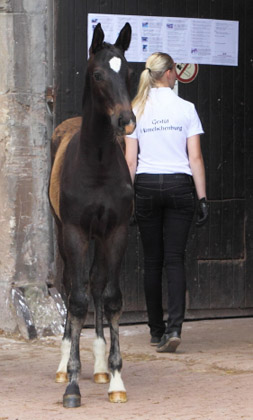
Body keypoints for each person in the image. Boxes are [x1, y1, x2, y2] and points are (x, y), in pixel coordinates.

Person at [125, 52, 208, 353]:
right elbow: (195, 157)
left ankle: (155, 330)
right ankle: (174, 328)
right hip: (178, 186)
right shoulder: (186, 108)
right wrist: (201, 197)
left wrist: (128, 198)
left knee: (151, 261)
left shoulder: (136, 108)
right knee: (175, 259)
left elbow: (130, 161)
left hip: (146, 186)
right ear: (171, 73)